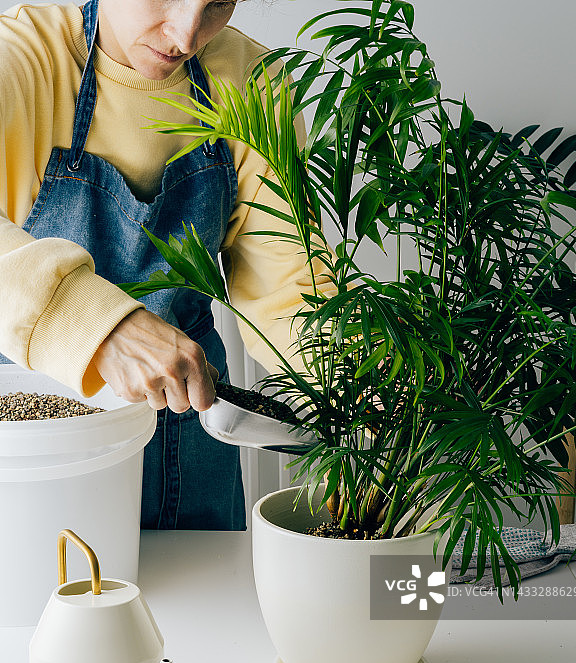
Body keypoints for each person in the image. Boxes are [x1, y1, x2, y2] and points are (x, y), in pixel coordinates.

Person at [0, 0, 332, 530]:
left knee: (207, 599)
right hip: (42, 428)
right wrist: (97, 326)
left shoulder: (253, 82)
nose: (186, 33)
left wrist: (362, 385)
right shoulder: (20, 60)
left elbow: (291, 289)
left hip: (193, 423)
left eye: (218, 2)